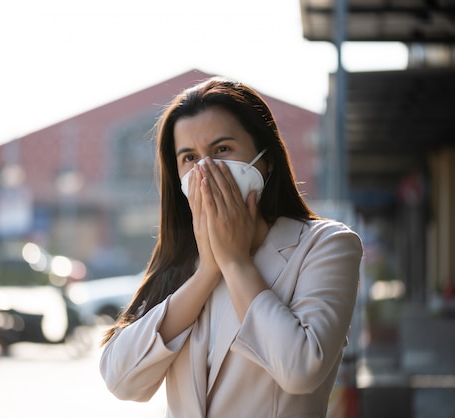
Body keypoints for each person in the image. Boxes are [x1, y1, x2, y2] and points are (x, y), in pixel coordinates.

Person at [99, 76, 363, 417]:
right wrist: (208, 271)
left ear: (266, 161)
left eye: (222, 149)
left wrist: (235, 262)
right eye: (189, 157)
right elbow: (121, 380)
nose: (206, 169)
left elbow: (300, 369)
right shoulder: (184, 260)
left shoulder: (326, 246)